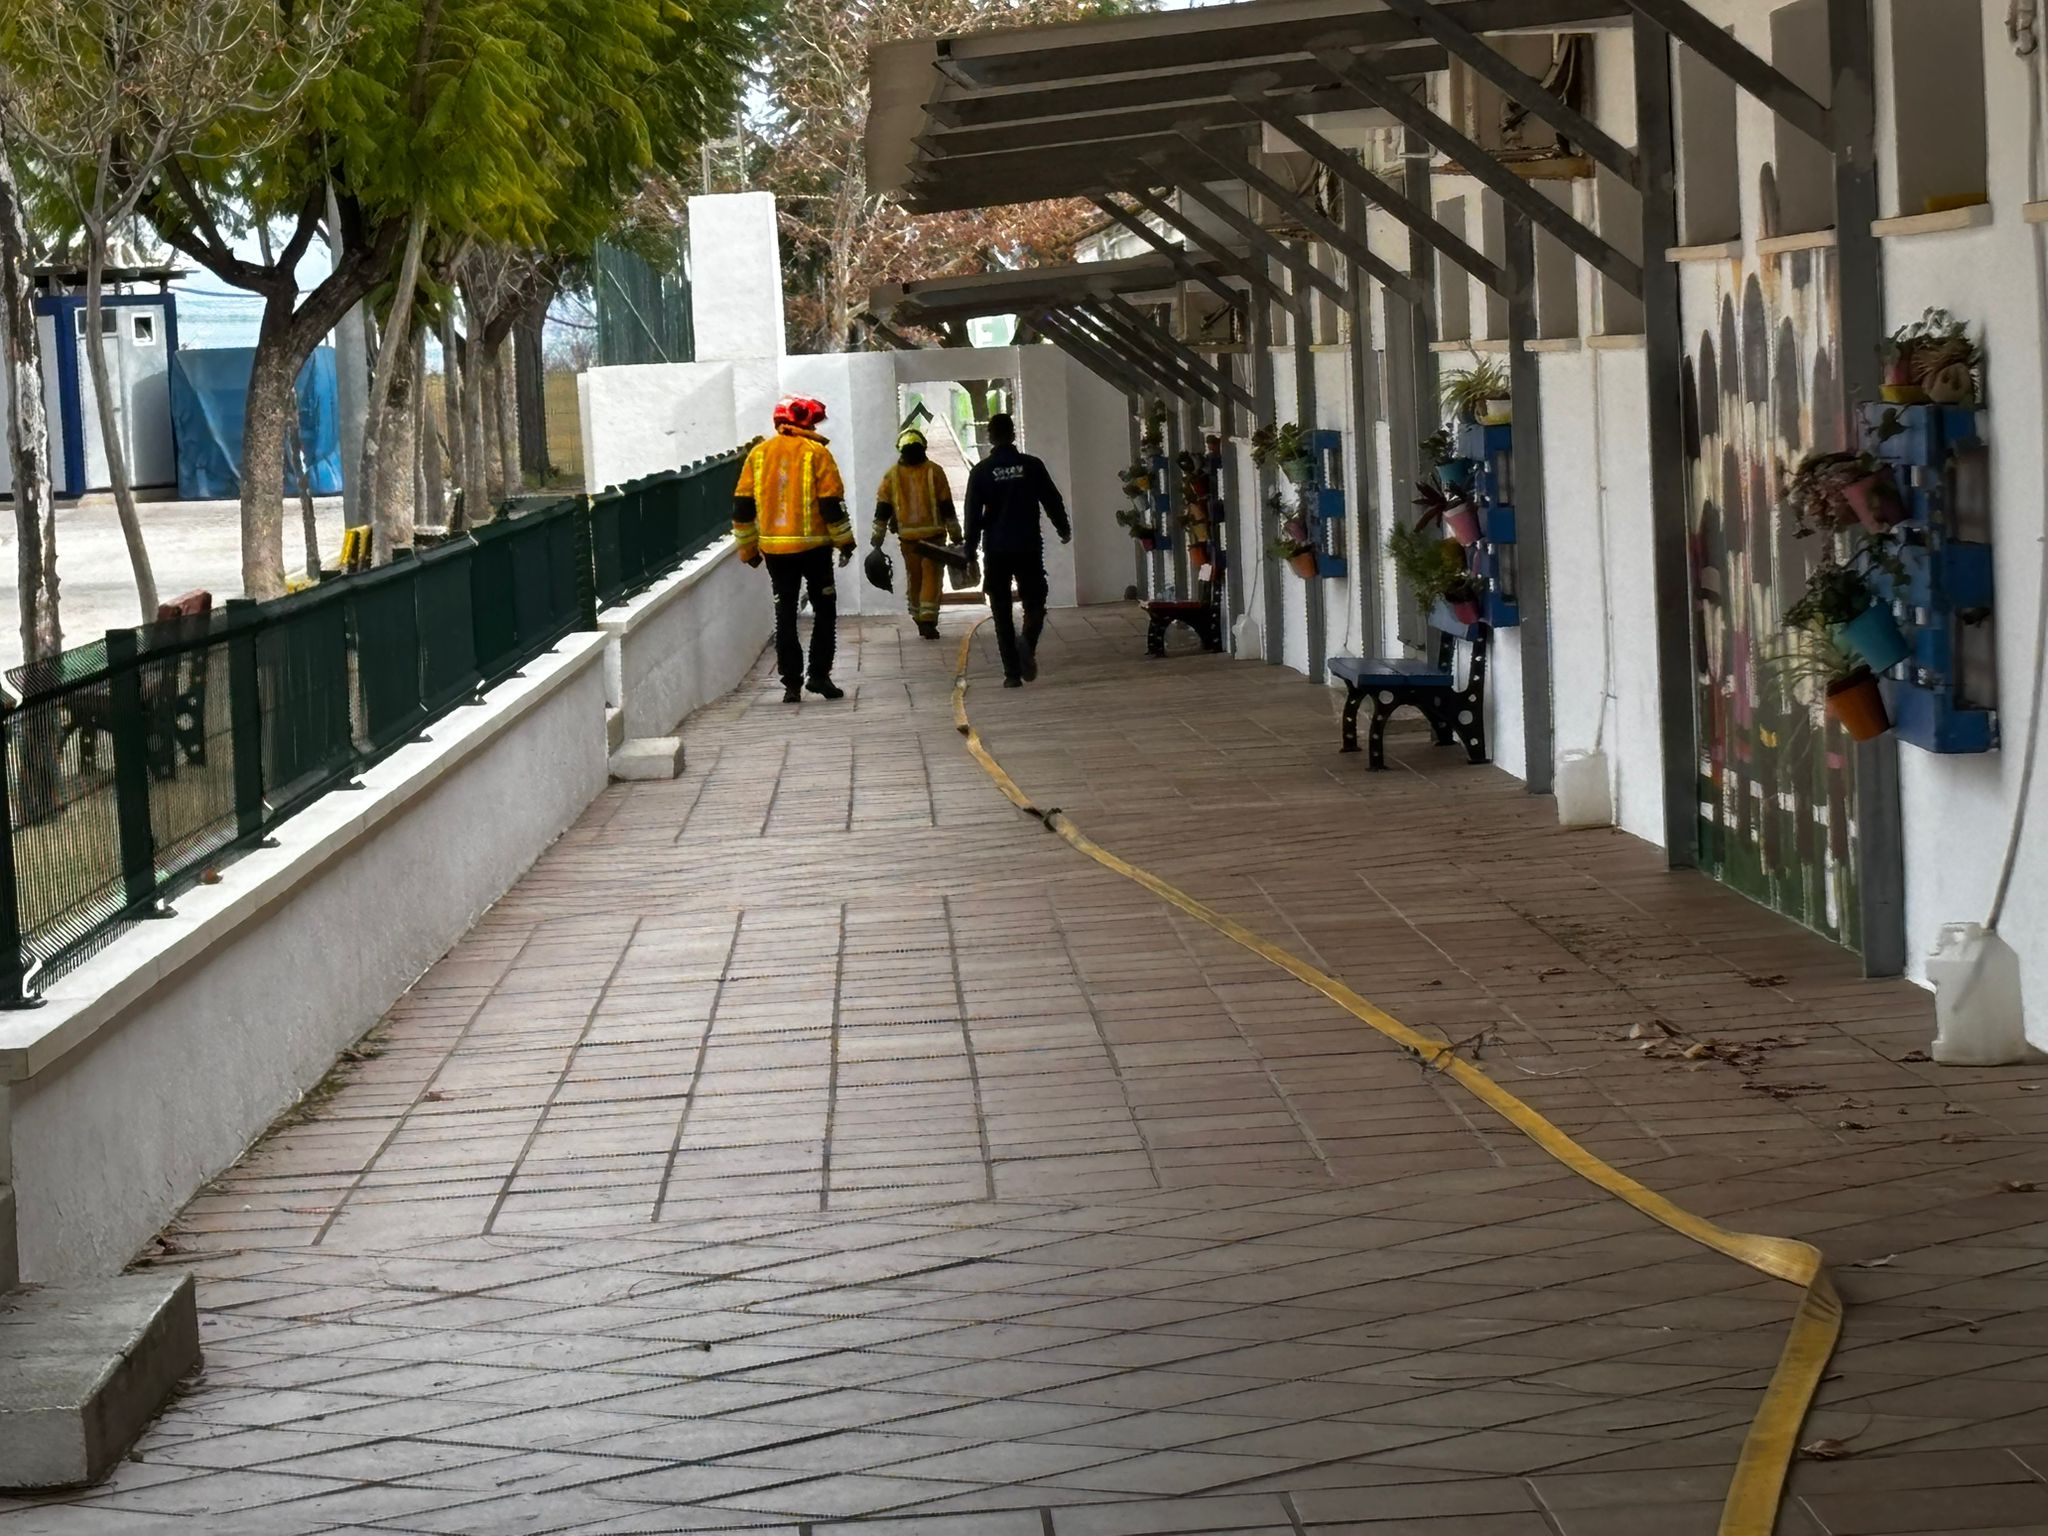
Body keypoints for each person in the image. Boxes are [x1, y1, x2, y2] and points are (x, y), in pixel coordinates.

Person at [733, 396, 855, 702]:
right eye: (812, 421)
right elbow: (831, 504)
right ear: (804, 421)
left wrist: (748, 550)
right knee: (824, 610)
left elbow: (742, 507)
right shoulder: (817, 453)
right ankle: (819, 676)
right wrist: (846, 542)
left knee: (784, 614)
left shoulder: (758, 455)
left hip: (776, 552)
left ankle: (791, 684)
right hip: (815, 549)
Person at [964, 411, 1070, 687]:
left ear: (991, 437)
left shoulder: (981, 472)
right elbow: (1051, 498)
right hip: (1028, 546)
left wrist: (969, 551)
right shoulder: (1031, 466)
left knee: (1001, 611)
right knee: (1035, 601)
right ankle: (1028, 641)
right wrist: (1063, 527)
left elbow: (972, 515)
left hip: (996, 549)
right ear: (1012, 434)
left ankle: (1012, 674)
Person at [871, 427, 959, 640]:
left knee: (915, 578)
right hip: (934, 538)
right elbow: (946, 505)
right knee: (932, 578)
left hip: (908, 540)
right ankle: (928, 620)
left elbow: (883, 508)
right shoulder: (934, 471)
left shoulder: (892, 475)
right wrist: (956, 534)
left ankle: (919, 617)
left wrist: (877, 538)